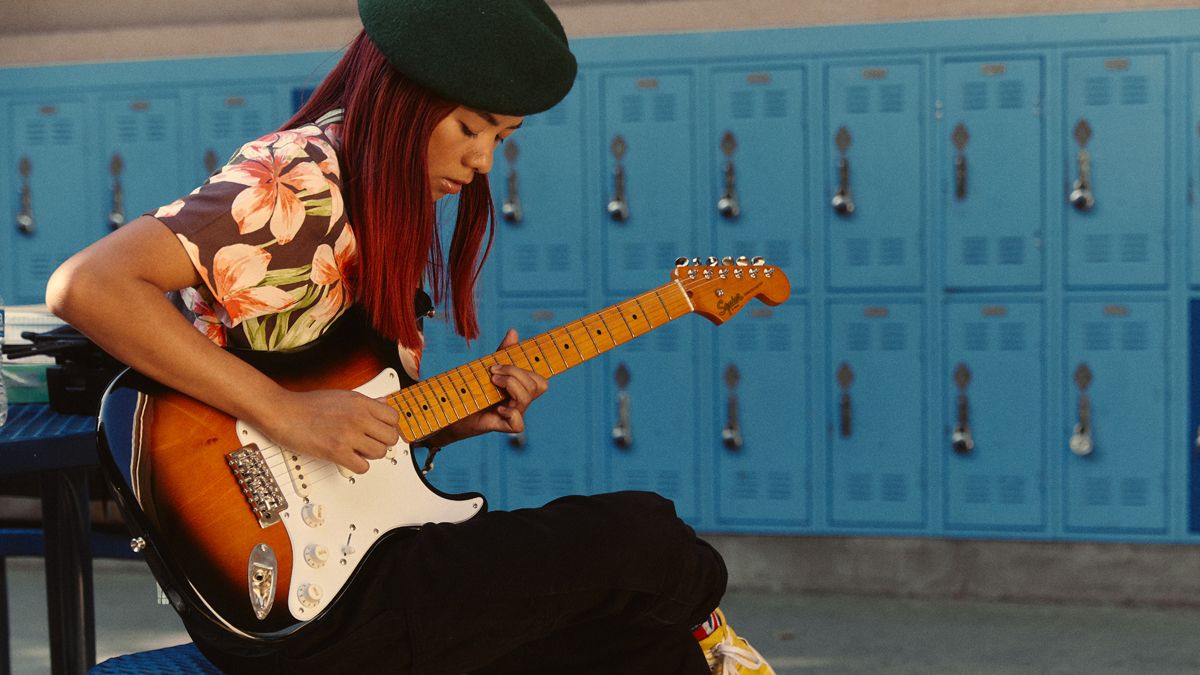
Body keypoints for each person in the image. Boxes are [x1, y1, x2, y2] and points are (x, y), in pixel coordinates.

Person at [46, 1, 775, 673]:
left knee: (637, 646)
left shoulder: (380, 200)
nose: (484, 158)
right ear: (402, 100)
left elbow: (341, 423)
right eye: (471, 127)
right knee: (645, 534)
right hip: (312, 599)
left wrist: (452, 418)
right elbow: (87, 285)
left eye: (502, 136)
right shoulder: (298, 186)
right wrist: (282, 410)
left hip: (359, 558)